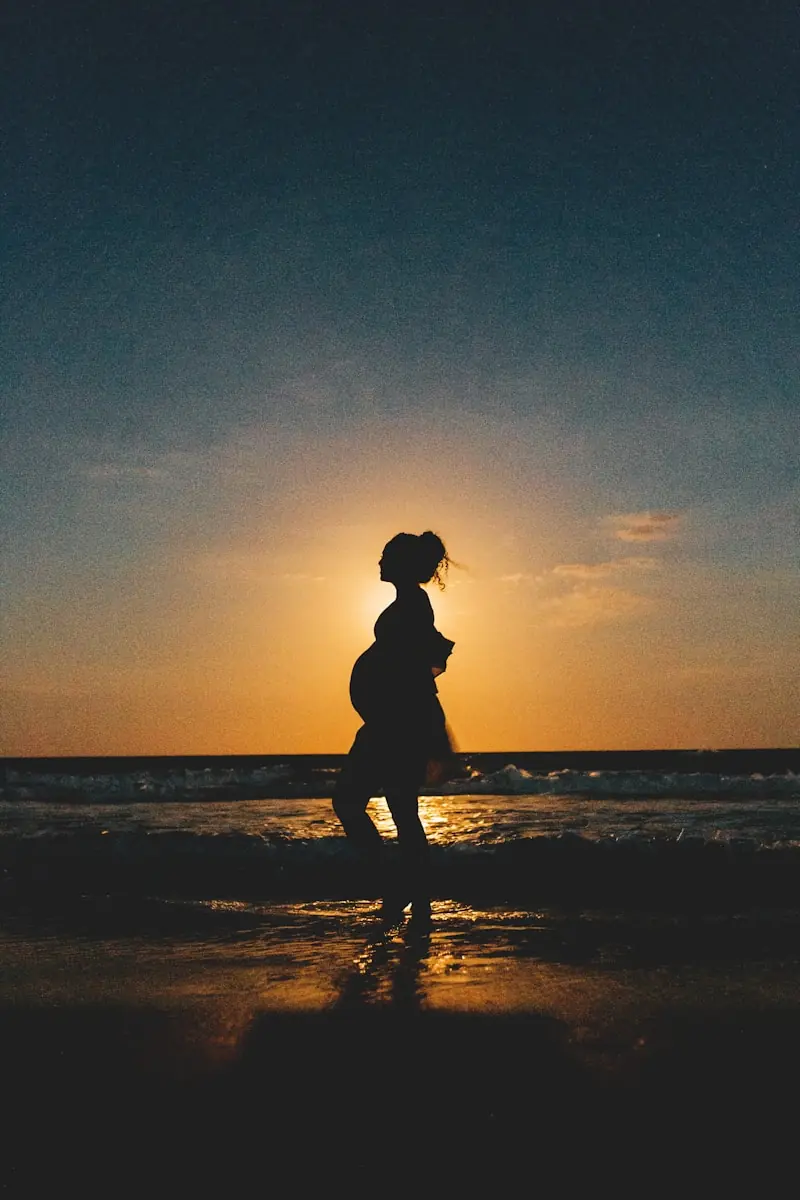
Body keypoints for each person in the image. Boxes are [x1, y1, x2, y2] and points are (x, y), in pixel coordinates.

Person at [333, 530, 458, 921]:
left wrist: (426, 728)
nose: (380, 562)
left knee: (357, 803)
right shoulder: (408, 604)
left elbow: (413, 667)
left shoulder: (414, 606)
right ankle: (410, 894)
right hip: (392, 721)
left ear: (401, 563)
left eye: (386, 556)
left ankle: (400, 889)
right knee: (397, 810)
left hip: (397, 724)